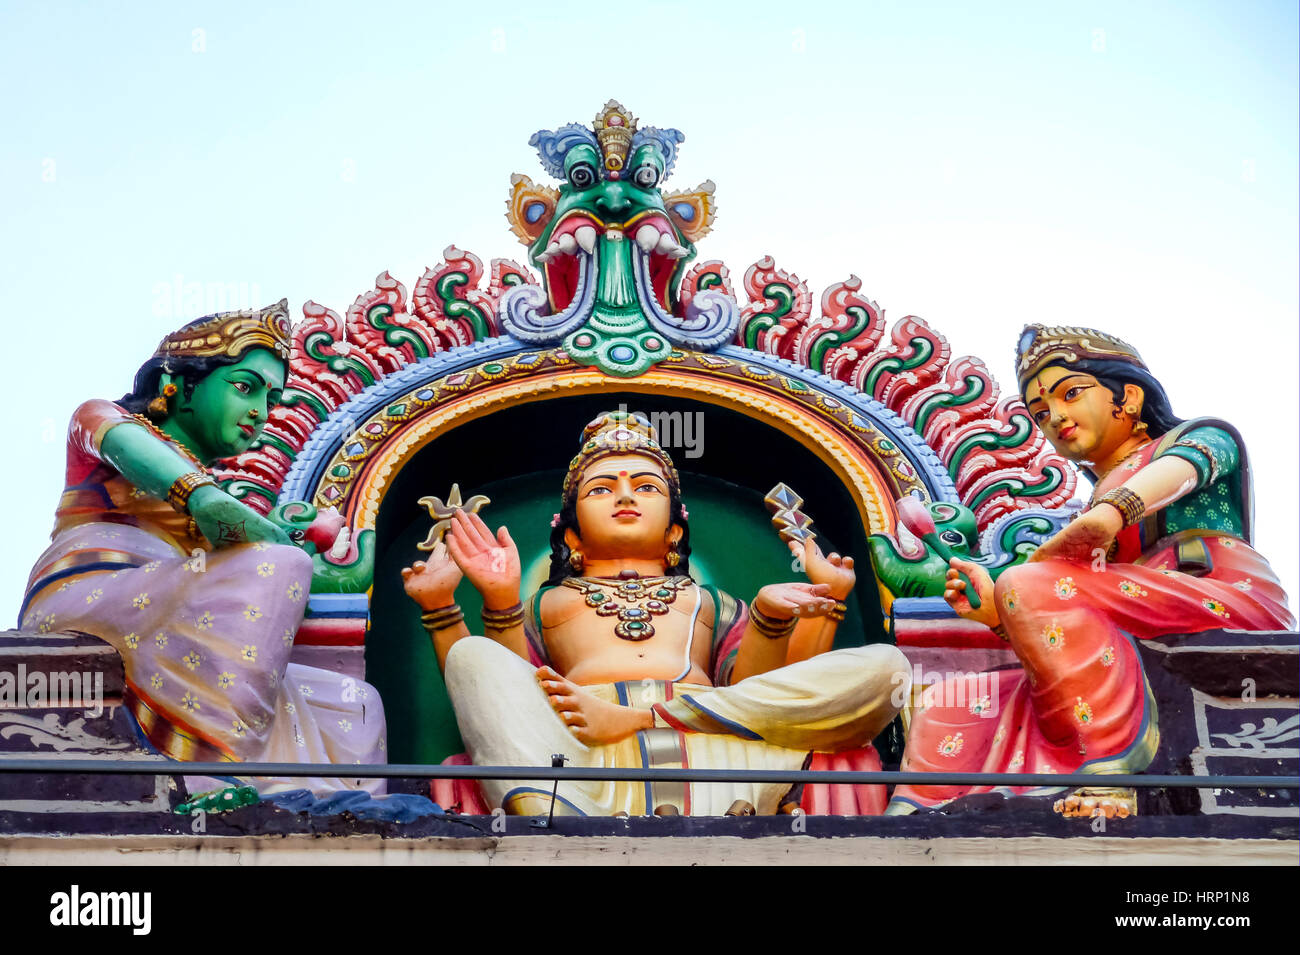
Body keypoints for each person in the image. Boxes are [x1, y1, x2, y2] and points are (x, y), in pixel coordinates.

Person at [401, 410, 910, 815]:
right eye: (601, 489)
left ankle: (644, 721)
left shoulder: (709, 600)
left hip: (716, 740)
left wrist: (782, 614)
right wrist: (476, 601)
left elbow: (759, 694)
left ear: (675, 529)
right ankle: (556, 809)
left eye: (647, 486)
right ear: (572, 533)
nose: (625, 495)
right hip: (580, 748)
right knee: (473, 656)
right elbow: (511, 692)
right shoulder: (547, 601)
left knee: (888, 667)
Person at [889, 325, 1295, 815]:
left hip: (1214, 591)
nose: (1055, 418)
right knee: (956, 697)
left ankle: (1109, 776)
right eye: (1040, 414)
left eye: (1071, 394)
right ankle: (919, 818)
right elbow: (1068, 608)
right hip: (1135, 611)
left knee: (1028, 582)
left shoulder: (1199, 438)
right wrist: (995, 613)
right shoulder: (1094, 500)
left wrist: (1108, 515)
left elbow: (1185, 469)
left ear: (1128, 396)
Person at [18, 302, 386, 794]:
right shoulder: (104, 422)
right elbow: (134, 452)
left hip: (174, 609)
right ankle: (209, 770)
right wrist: (203, 496)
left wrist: (343, 576)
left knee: (353, 703)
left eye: (272, 399)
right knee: (276, 564)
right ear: (179, 383)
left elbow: (270, 578)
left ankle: (331, 813)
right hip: (92, 599)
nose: (261, 410)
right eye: (244, 386)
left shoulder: (212, 497)